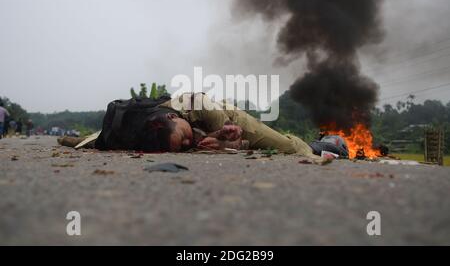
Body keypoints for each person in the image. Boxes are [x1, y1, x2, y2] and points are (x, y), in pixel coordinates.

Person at [60, 93, 321, 159]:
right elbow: (95, 140)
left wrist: (226, 137)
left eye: (184, 139)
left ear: (175, 119)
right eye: (182, 148)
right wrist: (71, 141)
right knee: (84, 143)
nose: (188, 145)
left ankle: (315, 148)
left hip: (223, 119)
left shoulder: (199, 105)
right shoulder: (124, 136)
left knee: (288, 148)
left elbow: (237, 137)